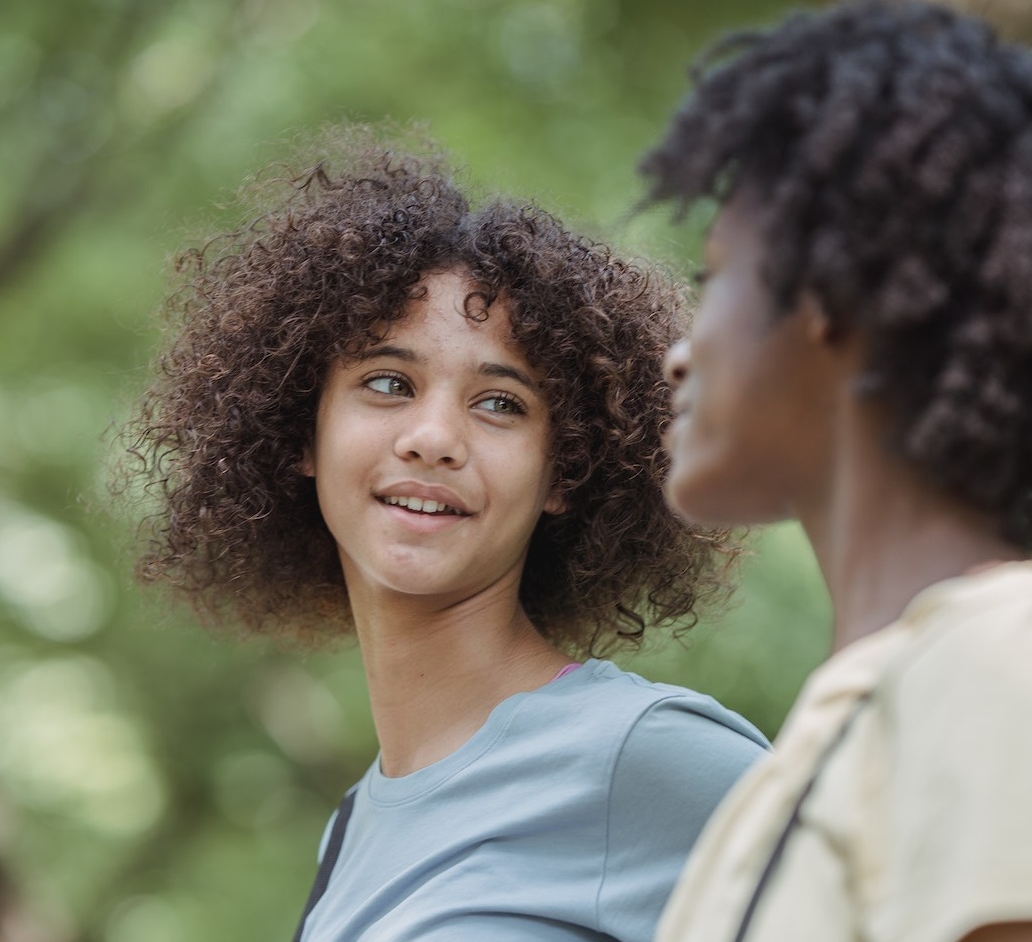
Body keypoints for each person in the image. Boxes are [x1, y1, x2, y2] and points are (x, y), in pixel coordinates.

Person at [638, 0, 1032, 942]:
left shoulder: (1011, 658)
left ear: (829, 293)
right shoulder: (869, 704)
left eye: (713, 279)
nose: (679, 348)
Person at [119, 128, 768, 942]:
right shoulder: (351, 830)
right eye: (388, 383)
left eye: (500, 402)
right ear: (301, 435)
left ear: (563, 471)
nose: (432, 436)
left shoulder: (646, 759)